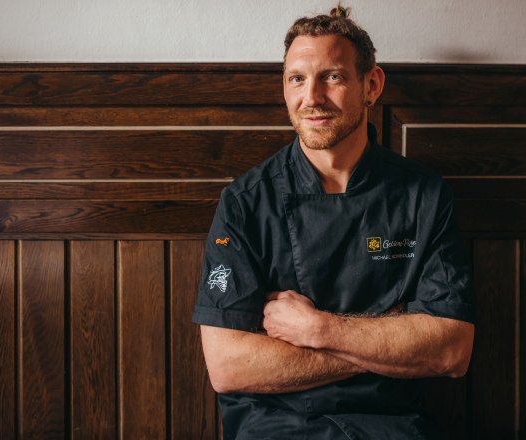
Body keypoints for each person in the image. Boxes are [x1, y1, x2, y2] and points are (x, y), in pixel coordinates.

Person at [192, 5, 475, 439]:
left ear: (371, 85)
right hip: (274, 426)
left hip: (391, 427)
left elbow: (451, 350)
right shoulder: (245, 203)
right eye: (297, 79)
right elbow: (228, 366)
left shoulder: (424, 196)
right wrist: (389, 334)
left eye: (334, 76)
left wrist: (317, 329)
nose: (312, 98)